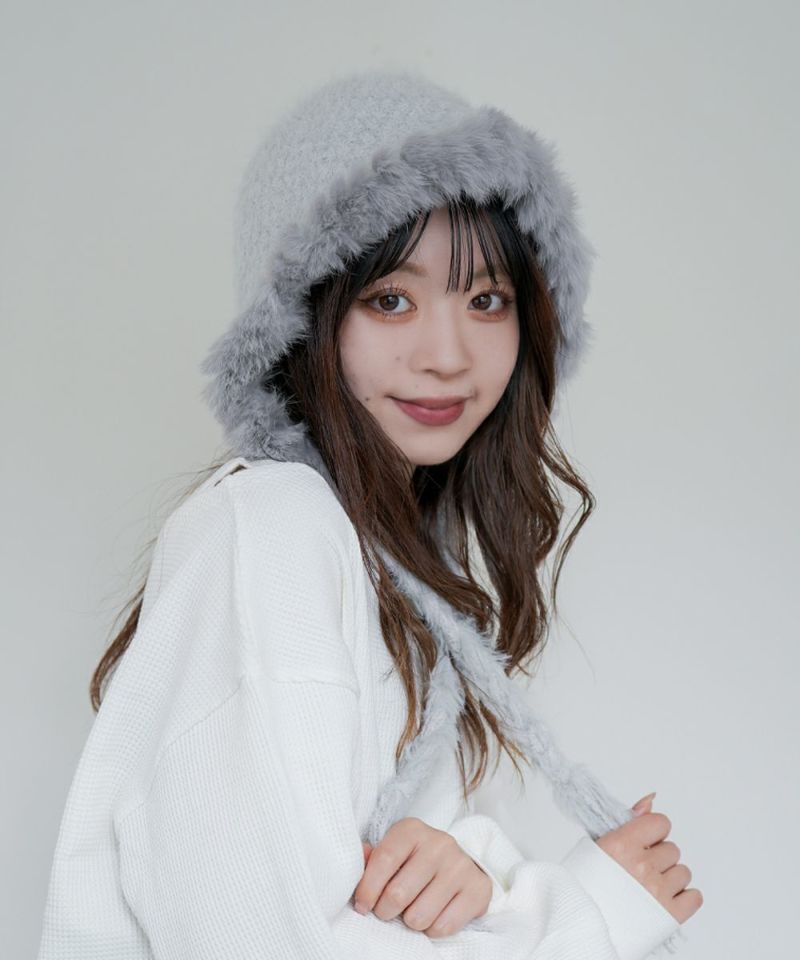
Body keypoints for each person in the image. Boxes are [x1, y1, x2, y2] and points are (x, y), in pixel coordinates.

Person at [36, 69, 702, 959]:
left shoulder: (403, 574)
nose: (448, 354)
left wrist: (474, 871)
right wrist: (593, 916)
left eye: (487, 299)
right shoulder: (273, 530)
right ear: (301, 320)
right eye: (390, 299)